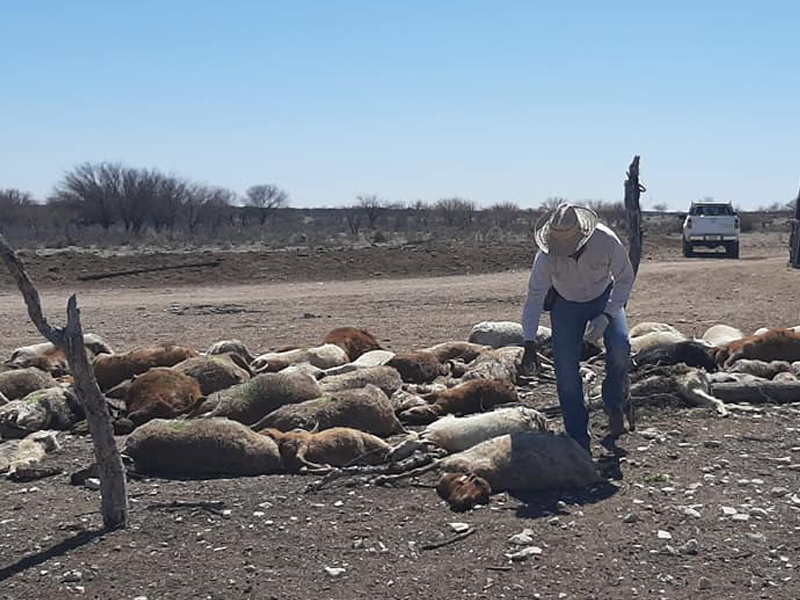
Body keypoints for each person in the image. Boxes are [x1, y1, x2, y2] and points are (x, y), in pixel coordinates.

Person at [520, 203, 635, 453]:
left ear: (583, 236)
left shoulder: (606, 241)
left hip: (604, 297)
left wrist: (607, 314)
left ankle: (614, 403)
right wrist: (528, 342)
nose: (566, 252)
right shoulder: (546, 256)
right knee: (566, 371)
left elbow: (625, 277)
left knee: (620, 347)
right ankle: (578, 438)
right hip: (566, 306)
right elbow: (534, 297)